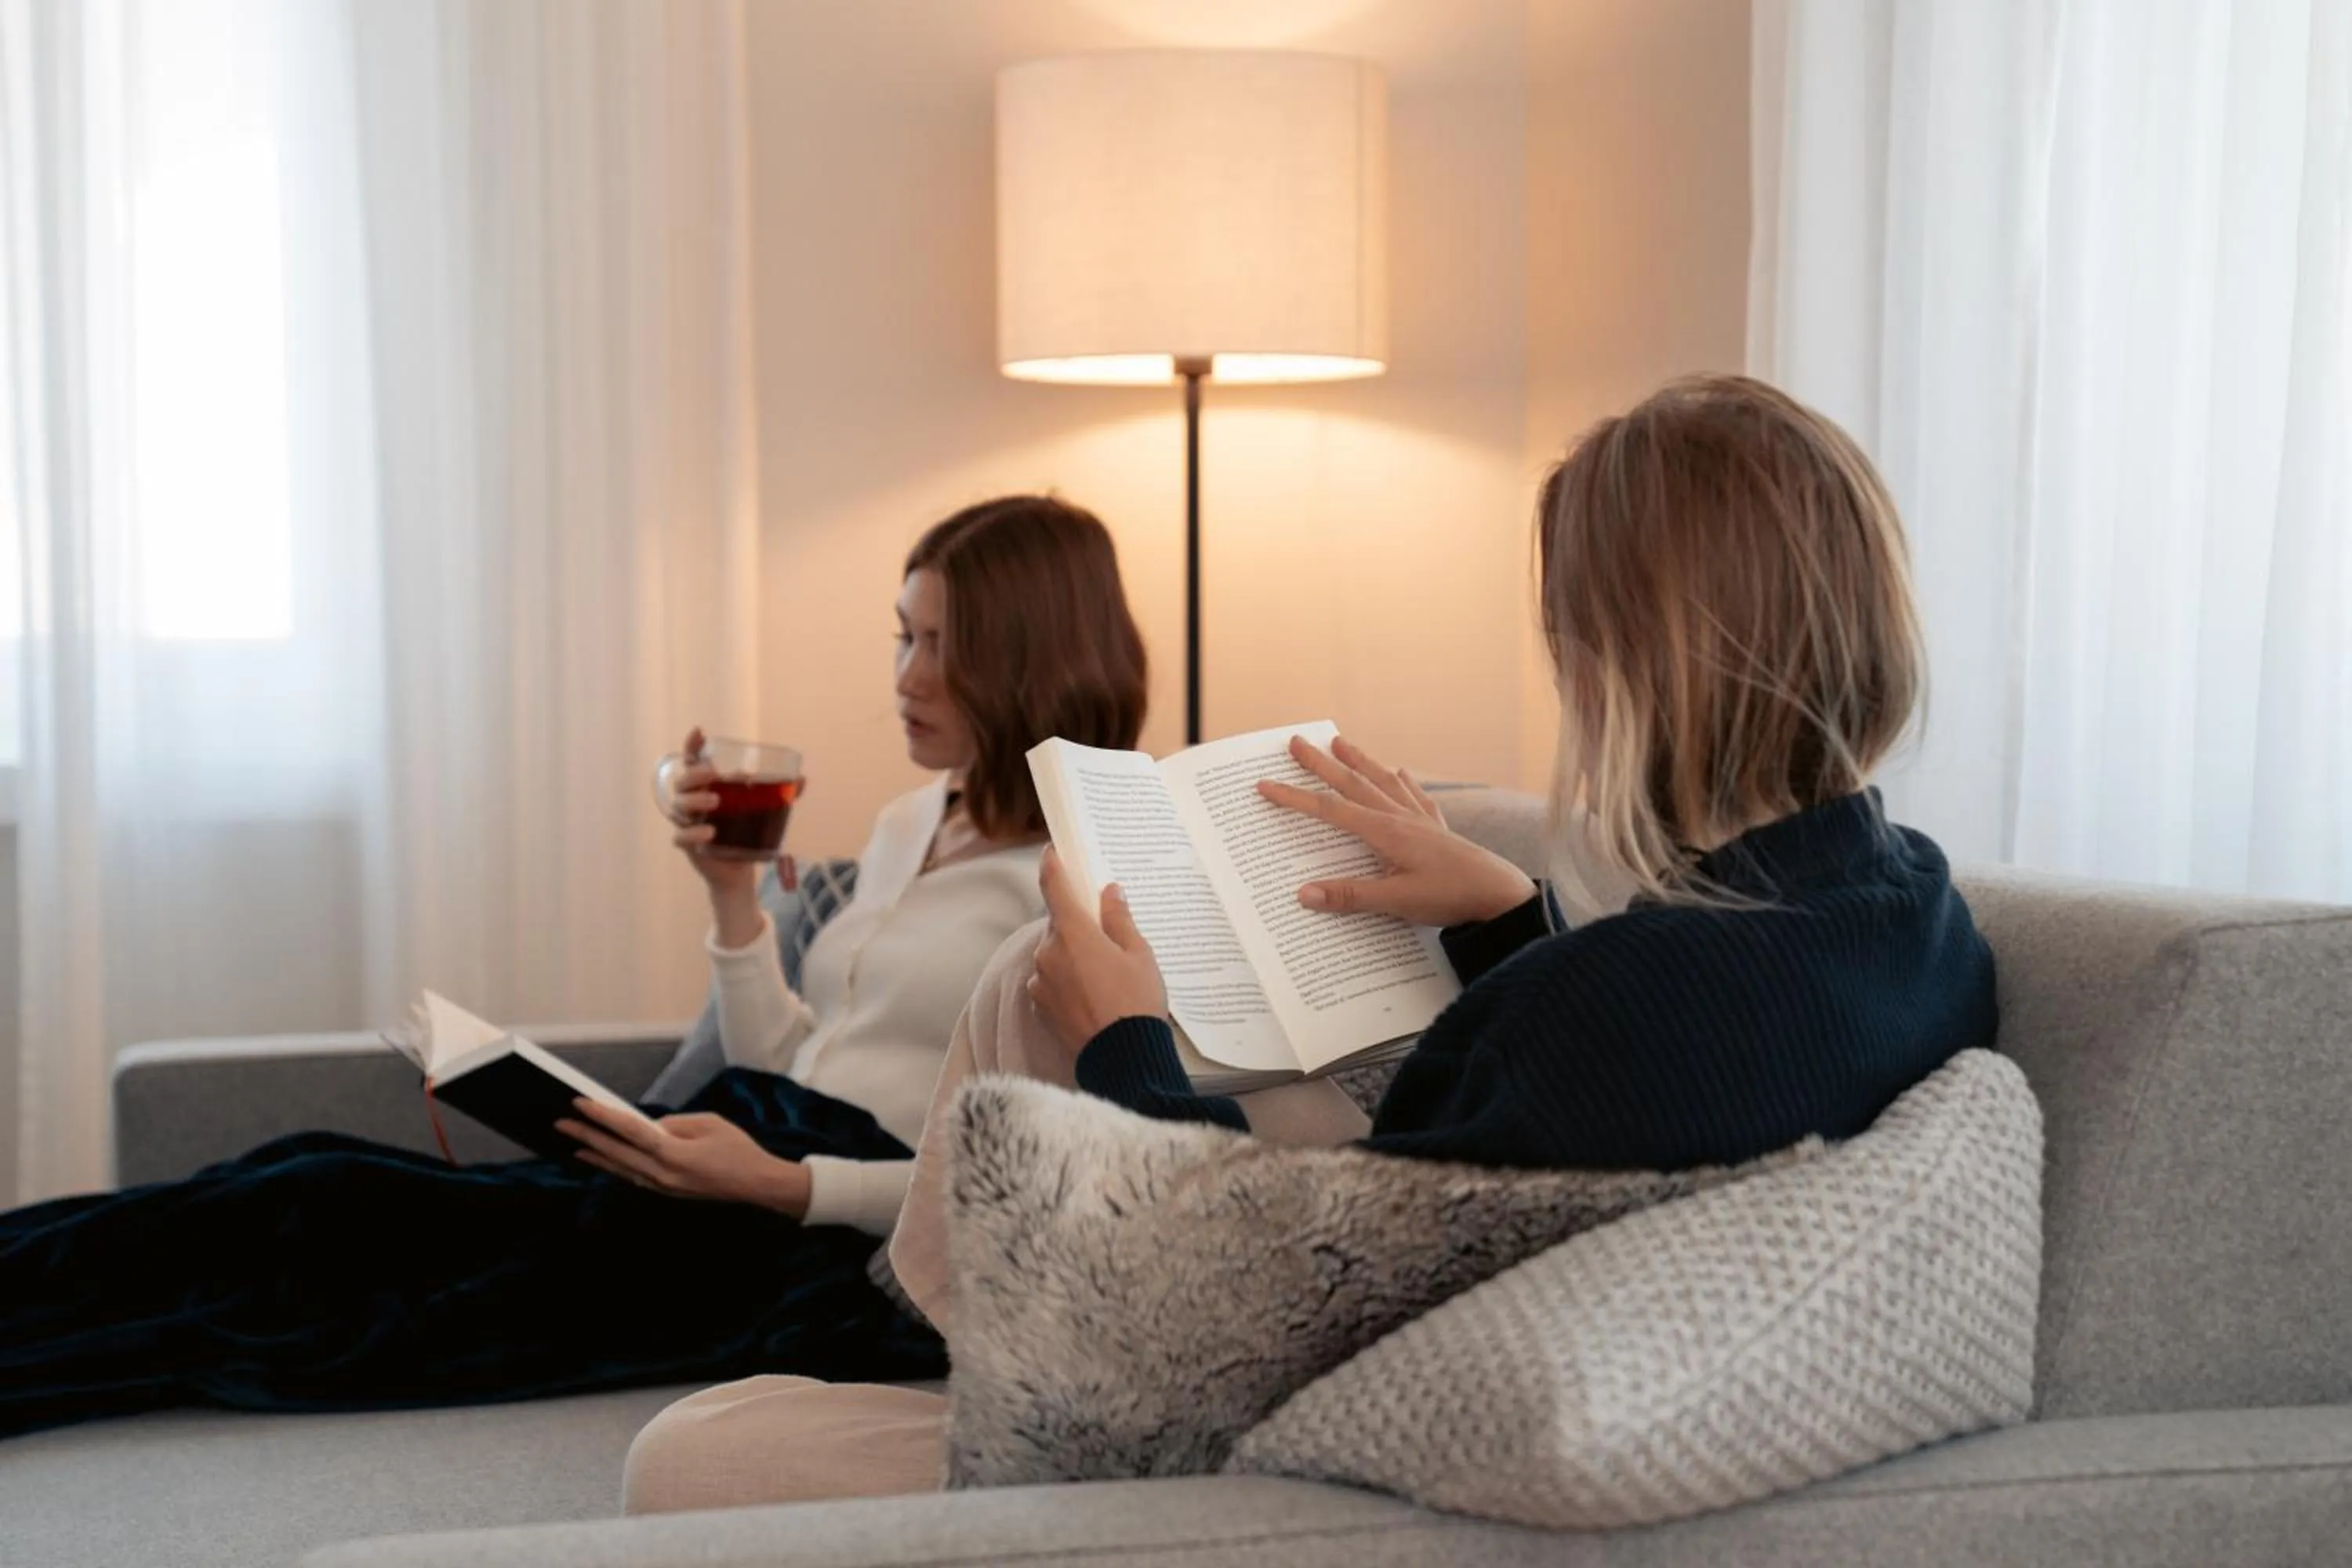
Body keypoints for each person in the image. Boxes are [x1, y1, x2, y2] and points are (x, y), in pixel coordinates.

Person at [620, 373, 1999, 1512]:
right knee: (1020, 986)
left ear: (1628, 666)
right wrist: (1505, 918)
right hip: (1406, 1255)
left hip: (1268, 1379)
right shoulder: (1907, 907)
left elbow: (1276, 1293)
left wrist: (1127, 1046)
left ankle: (987, 1379)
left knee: (688, 1453)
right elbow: (1570, 1111)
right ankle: (965, 1341)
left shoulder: (1641, 990)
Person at [0, 494, 1148, 1439]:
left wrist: (787, 1186)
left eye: (943, 646)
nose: (905, 675)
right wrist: (732, 899)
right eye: (902, 635)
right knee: (299, 1168)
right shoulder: (912, 822)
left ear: (1026, 657)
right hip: (749, 1149)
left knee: (317, 1210)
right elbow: (793, 1060)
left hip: (834, 1243)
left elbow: (1045, 1181)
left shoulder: (1084, 882)